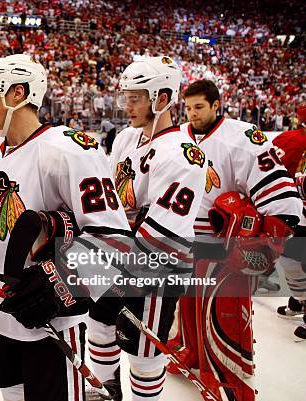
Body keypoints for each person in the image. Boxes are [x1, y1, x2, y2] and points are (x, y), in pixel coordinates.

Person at [0, 54, 131, 401]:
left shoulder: (70, 150)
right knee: (11, 392)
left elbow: (114, 240)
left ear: (17, 94)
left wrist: (62, 283)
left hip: (46, 319)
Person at [169, 80, 301, 401]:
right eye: (187, 108)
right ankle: (194, 354)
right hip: (189, 239)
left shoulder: (242, 137)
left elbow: (278, 189)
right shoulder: (178, 138)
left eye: (199, 107)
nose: (192, 114)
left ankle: (230, 382)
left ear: (217, 105)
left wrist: (268, 236)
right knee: (189, 309)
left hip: (226, 244)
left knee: (222, 317)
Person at [87, 56, 207, 401]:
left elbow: (160, 234)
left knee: (144, 355)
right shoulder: (127, 138)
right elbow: (110, 199)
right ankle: (106, 389)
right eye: (126, 96)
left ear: (163, 99)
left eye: (136, 97)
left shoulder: (183, 156)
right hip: (115, 257)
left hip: (156, 267)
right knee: (98, 324)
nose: (127, 105)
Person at [271, 103, 306, 341]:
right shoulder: (294, 140)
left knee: (292, 258)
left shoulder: (292, 139)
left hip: (295, 211)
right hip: (298, 212)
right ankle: (300, 299)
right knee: (291, 258)